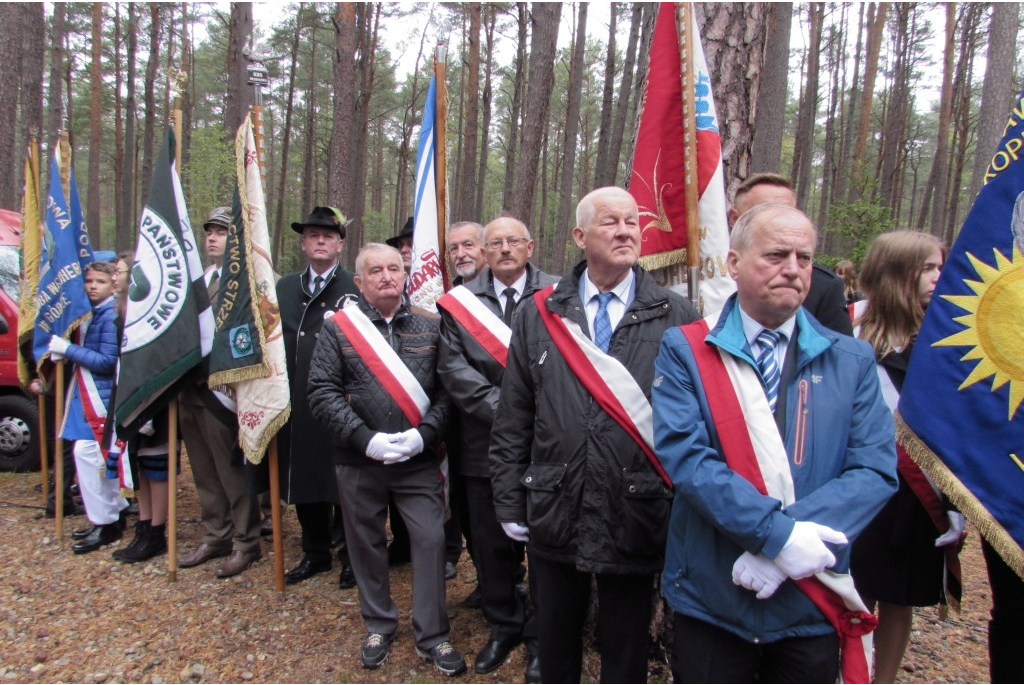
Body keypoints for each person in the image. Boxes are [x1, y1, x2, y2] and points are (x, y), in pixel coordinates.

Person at [652, 203, 898, 683]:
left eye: (804, 258)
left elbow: (873, 471)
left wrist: (782, 551)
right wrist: (779, 538)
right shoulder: (685, 350)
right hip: (714, 592)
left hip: (811, 593)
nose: (793, 269)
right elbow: (689, 460)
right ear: (734, 263)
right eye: (776, 255)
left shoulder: (852, 359)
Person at [489, 187, 699, 683]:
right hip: (554, 504)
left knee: (625, 652)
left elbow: (690, 425)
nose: (626, 231)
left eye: (633, 222)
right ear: (580, 236)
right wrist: (506, 500)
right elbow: (514, 415)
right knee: (555, 646)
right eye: (611, 222)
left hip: (638, 507)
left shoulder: (676, 314)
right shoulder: (539, 313)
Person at [307, 243, 466, 677]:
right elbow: (320, 392)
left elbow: (446, 391)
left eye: (394, 268)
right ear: (359, 282)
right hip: (360, 460)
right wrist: (364, 439)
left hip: (419, 459)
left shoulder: (433, 326)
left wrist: (424, 435)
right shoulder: (339, 330)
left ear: (406, 274)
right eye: (375, 271)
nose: (386, 277)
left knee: (431, 540)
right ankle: (378, 624)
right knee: (365, 544)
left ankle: (433, 634)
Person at [437, 217, 557, 680]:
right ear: (483, 252)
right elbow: (454, 372)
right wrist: (513, 412)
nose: (505, 249)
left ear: (530, 245)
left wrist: (537, 414)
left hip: (549, 446)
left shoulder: (560, 292)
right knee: (490, 546)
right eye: (495, 243)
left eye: (513, 241)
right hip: (480, 447)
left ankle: (542, 638)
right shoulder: (458, 304)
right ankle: (503, 625)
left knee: (547, 545)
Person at [848, 230, 965, 684]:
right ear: (896, 271)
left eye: (940, 266)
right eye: (928, 268)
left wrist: (955, 501)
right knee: (851, 594)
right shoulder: (848, 327)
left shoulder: (948, 340)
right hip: (857, 485)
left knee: (898, 599)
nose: (939, 277)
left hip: (914, 494)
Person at [275, 206, 359, 588]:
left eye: (328, 234)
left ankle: (351, 557)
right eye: (313, 234)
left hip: (344, 399)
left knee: (344, 481)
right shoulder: (284, 288)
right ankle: (315, 552)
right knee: (305, 473)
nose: (320, 240)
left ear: (340, 243)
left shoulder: (355, 286)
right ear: (304, 243)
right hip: (296, 396)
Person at [177, 207, 261, 578]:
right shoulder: (198, 280)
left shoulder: (246, 282)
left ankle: (246, 540)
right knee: (202, 468)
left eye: (221, 232)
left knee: (230, 470)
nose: (212, 238)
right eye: (209, 231)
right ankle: (216, 533)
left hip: (223, 390)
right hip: (189, 387)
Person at [47, 261, 129, 554]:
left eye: (100, 281)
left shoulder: (109, 316)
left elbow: (107, 361)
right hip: (88, 394)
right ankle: (107, 515)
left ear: (112, 285)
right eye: (89, 281)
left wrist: (69, 350)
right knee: (91, 458)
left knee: (91, 456)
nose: (93, 286)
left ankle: (106, 521)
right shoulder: (90, 315)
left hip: (102, 397)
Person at [110, 252, 176, 563]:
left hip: (155, 401)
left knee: (156, 467)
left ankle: (156, 532)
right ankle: (145, 523)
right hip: (130, 397)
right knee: (138, 466)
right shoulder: (121, 311)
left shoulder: (155, 313)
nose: (115, 277)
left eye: (121, 272)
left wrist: (148, 407)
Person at [729, 173, 853, 335]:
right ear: (734, 218)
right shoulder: (704, 278)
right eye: (762, 212)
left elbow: (839, 353)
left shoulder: (823, 288)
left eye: (785, 212)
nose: (777, 222)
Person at [446, 220, 487, 286]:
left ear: (485, 249)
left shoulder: (503, 288)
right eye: (454, 248)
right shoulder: (449, 293)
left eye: (468, 245)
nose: (460, 255)